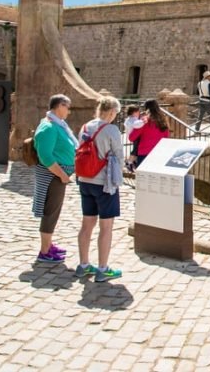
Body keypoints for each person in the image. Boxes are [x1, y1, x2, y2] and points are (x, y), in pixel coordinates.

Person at [75, 95, 124, 282]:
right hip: (104, 183)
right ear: (111, 112)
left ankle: (84, 264)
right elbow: (118, 157)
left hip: (85, 179)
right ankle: (103, 268)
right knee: (106, 226)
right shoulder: (111, 129)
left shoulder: (85, 127)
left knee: (86, 224)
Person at [32, 94, 78, 263]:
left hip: (58, 176)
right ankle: (44, 251)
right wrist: (62, 175)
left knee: (53, 211)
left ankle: (48, 244)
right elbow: (45, 156)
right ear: (59, 106)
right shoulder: (49, 127)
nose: (69, 111)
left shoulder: (58, 125)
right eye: (67, 107)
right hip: (53, 177)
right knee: (50, 213)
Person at [128, 99, 171, 166]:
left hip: (145, 153)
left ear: (146, 108)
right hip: (159, 154)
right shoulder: (163, 120)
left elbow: (132, 138)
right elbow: (166, 137)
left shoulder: (144, 120)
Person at [123, 104, 143, 172]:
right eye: (138, 111)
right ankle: (129, 163)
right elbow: (137, 125)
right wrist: (144, 121)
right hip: (135, 137)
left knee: (136, 150)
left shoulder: (129, 119)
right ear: (134, 112)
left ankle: (133, 162)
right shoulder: (132, 119)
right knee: (135, 150)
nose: (139, 113)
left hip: (133, 136)